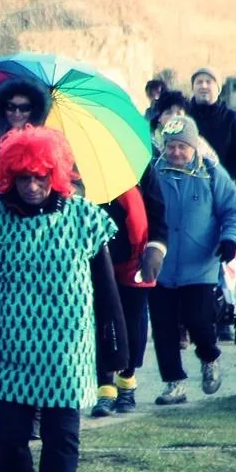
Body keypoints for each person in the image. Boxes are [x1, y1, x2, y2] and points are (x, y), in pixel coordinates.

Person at [0, 127, 127, 472]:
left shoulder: (85, 219)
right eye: (23, 179)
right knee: (8, 437)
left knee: (62, 443)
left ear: (55, 176)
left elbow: (106, 292)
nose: (32, 187)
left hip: (68, 352)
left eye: (39, 177)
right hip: (10, 350)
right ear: (8, 178)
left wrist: (115, 350)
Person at [148, 117, 236, 406]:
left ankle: (209, 358)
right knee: (164, 327)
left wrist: (230, 239)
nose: (176, 153)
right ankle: (174, 383)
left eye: (182, 147)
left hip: (200, 266)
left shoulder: (211, 174)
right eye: (171, 147)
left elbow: (234, 211)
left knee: (199, 322)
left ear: (194, 147)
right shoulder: (154, 174)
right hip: (161, 267)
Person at [91, 177, 166, 417]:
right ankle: (105, 389)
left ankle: (127, 383)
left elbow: (157, 214)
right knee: (100, 324)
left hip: (133, 261)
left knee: (132, 326)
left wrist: (156, 248)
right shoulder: (75, 171)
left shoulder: (140, 169)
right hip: (95, 260)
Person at [0, 76, 51, 178]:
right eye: (11, 107)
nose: (17, 114)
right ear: (1, 108)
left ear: (34, 111)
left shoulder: (44, 145)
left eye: (24, 108)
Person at [188, 67, 236, 193]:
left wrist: (235, 180)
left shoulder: (233, 119)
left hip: (226, 187)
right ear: (193, 88)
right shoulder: (184, 117)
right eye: (199, 82)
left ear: (218, 89)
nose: (204, 86)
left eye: (209, 82)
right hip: (191, 187)